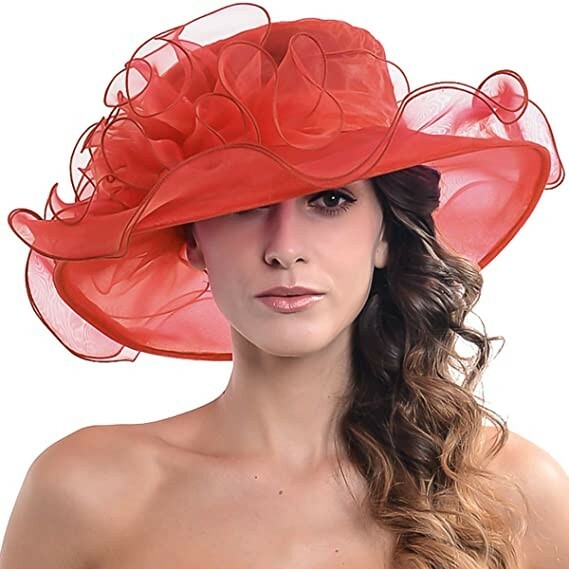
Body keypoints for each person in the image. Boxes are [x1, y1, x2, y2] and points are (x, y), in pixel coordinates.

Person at [1, 3, 568, 568]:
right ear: (193, 241)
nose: (284, 248)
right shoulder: (89, 494)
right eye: (243, 203)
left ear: (385, 236)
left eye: (330, 200)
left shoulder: (516, 494)